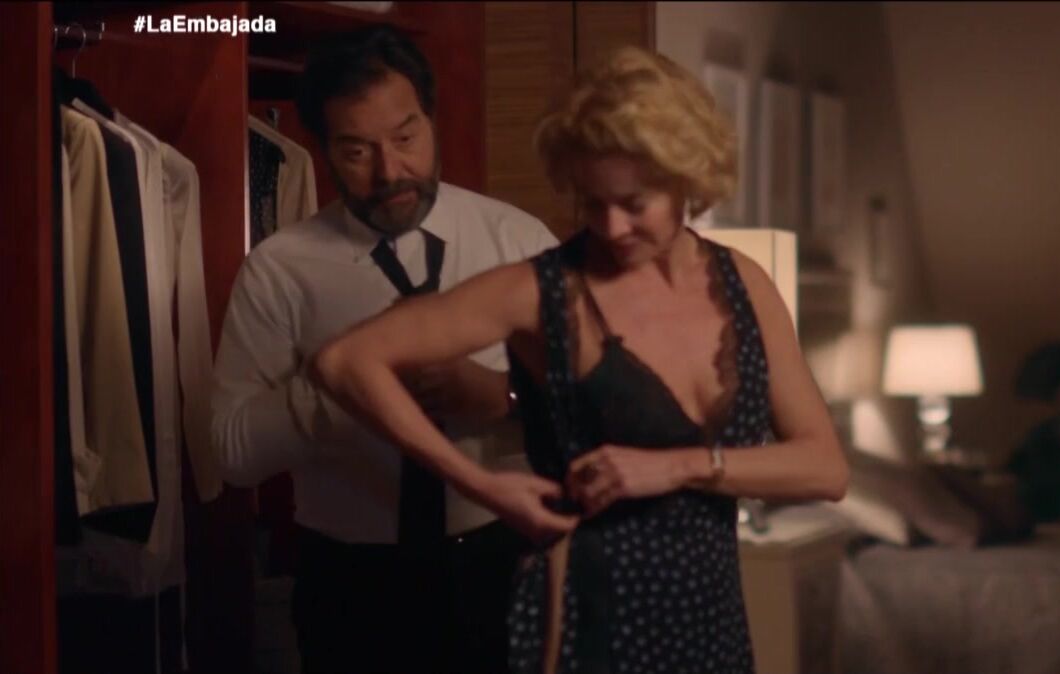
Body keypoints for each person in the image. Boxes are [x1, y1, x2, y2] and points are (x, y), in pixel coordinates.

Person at [310, 46, 849, 674]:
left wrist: (676, 467)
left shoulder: (743, 282)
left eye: (634, 203)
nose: (612, 228)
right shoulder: (544, 292)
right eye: (593, 204)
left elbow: (824, 468)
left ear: (689, 178)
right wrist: (481, 484)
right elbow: (346, 361)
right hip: (588, 620)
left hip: (712, 620)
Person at [209, 25, 563, 674]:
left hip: (500, 563)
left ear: (431, 119)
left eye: (406, 138)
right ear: (323, 151)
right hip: (350, 583)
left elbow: (593, 415)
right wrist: (341, 383)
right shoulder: (279, 270)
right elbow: (230, 453)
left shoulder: (517, 241)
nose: (390, 171)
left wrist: (502, 395)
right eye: (357, 150)